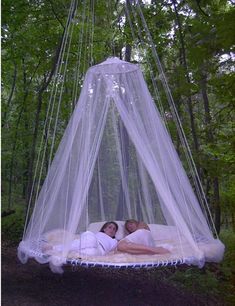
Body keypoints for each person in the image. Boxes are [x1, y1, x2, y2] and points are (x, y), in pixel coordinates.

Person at [43, 221, 118, 256]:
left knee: (91, 252)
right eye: (110, 227)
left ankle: (59, 251)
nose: (112, 230)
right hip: (92, 240)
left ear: (115, 233)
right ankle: (54, 248)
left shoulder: (114, 241)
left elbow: (115, 250)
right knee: (89, 239)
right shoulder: (97, 234)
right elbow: (88, 237)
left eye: (114, 229)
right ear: (104, 229)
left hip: (100, 249)